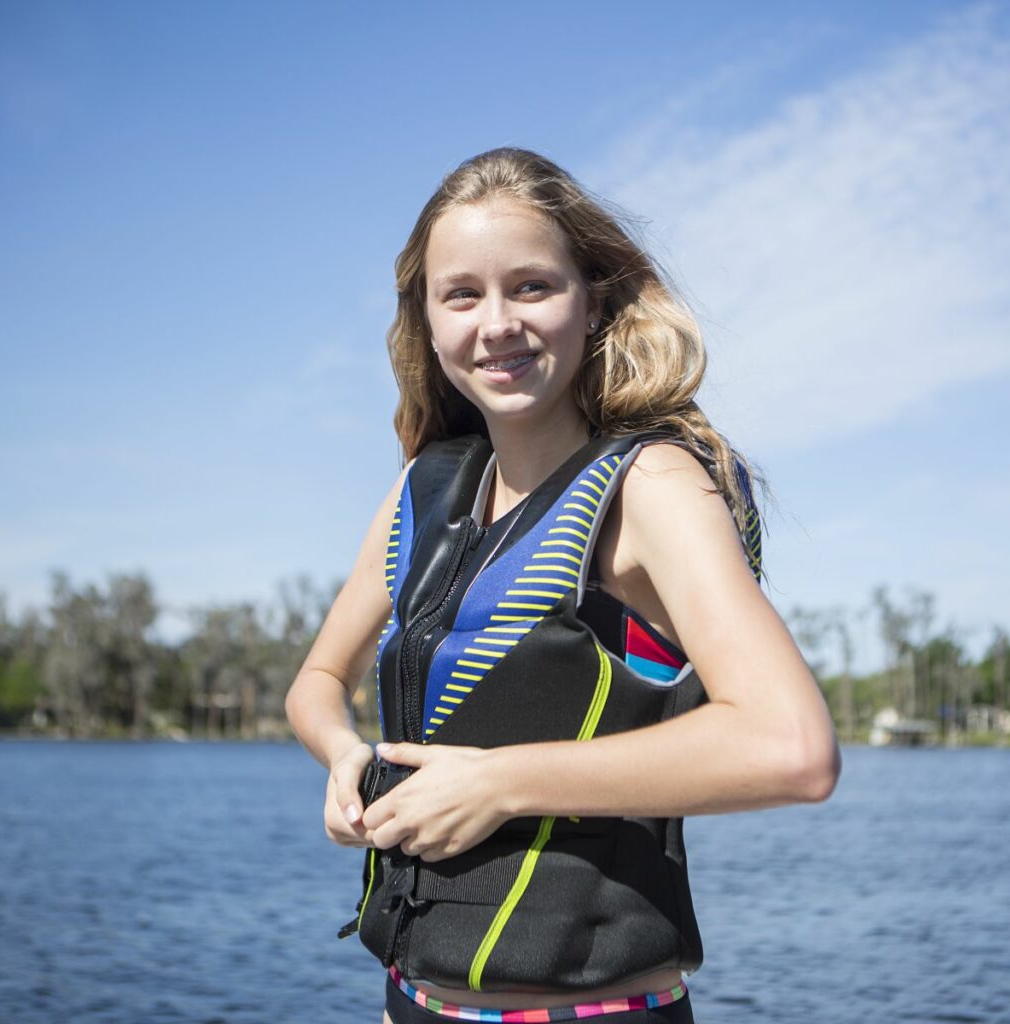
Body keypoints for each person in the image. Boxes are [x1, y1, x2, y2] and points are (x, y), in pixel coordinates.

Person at [285, 147, 840, 1024]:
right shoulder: (418, 493)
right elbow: (316, 683)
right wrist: (343, 756)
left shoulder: (652, 487)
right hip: (410, 1004)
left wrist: (500, 783)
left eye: (532, 287)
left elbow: (792, 749)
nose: (496, 323)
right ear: (428, 322)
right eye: (461, 294)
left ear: (594, 302)